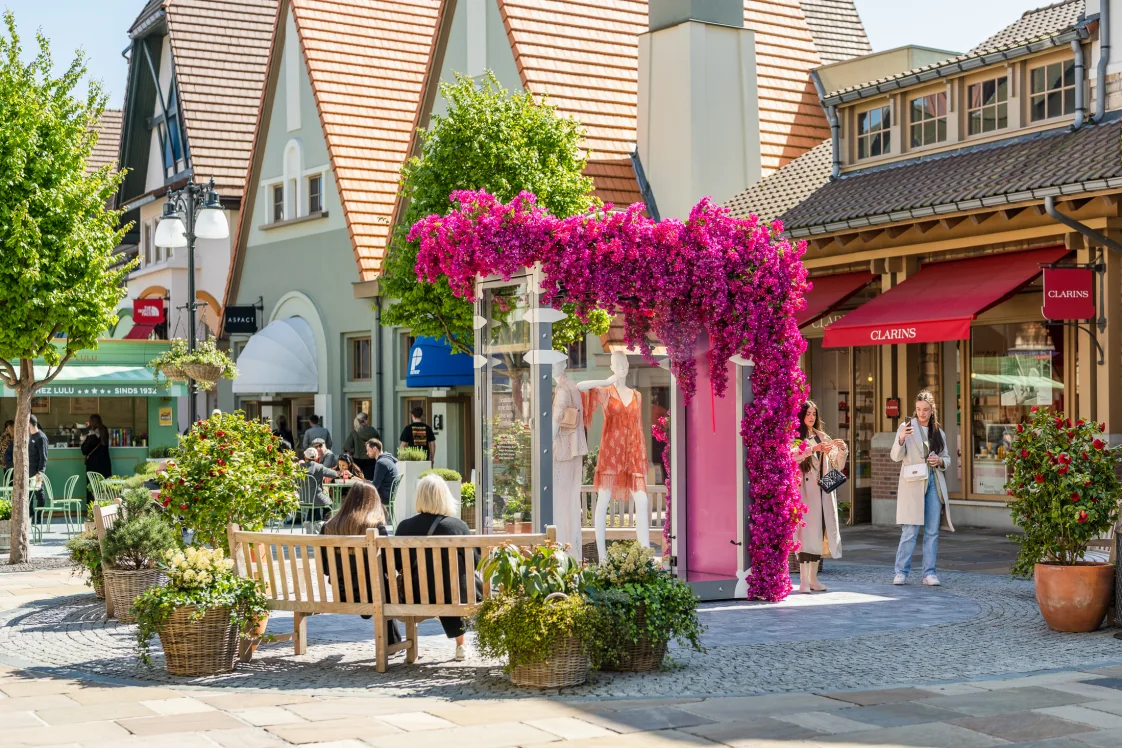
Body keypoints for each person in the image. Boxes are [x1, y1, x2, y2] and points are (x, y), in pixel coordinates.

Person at [394, 474, 475, 661]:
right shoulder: (458, 527)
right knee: (450, 584)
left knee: (435, 584)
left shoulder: (405, 527)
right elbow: (476, 562)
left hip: (415, 594)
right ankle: (460, 645)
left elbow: (397, 563)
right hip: (454, 594)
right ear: (445, 496)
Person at [319, 480, 402, 644]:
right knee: (384, 584)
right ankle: (393, 642)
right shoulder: (376, 527)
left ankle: (393, 640)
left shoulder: (328, 527)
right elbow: (388, 565)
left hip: (342, 592)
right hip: (374, 593)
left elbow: (326, 568)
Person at [891, 390, 955, 587]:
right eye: (918, 409)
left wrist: (939, 461)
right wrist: (901, 438)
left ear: (931, 410)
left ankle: (929, 573)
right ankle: (901, 571)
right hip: (913, 484)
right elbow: (895, 456)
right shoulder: (906, 427)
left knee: (932, 531)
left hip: (934, 483)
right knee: (910, 530)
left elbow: (947, 458)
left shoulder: (938, 432)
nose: (921, 413)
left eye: (925, 410)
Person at [790, 401, 848, 594]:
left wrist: (842, 450)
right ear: (801, 415)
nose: (811, 417)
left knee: (818, 534)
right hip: (804, 493)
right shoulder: (795, 437)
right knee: (805, 535)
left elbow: (836, 466)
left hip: (822, 493)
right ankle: (804, 581)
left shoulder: (822, 436)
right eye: (808, 413)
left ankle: (813, 579)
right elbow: (791, 456)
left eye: (814, 413)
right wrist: (813, 449)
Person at [302, 447, 337, 525]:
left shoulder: (299, 467)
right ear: (317, 457)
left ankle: (310, 522)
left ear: (305, 457)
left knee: (314, 503)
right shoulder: (319, 467)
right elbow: (334, 474)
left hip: (302, 498)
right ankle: (325, 524)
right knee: (329, 503)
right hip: (316, 497)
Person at [81, 414, 113, 493]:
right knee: (105, 484)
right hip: (105, 463)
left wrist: (83, 441)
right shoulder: (104, 430)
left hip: (93, 464)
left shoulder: (91, 435)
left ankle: (93, 504)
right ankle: (105, 503)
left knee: (93, 486)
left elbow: (84, 450)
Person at [366, 438, 399, 514]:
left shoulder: (381, 463)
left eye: (368, 450)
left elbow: (375, 485)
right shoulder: (388, 459)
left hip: (384, 496)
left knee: (359, 495)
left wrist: (363, 482)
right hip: (390, 494)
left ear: (374, 448)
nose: (367, 453)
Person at [343, 412, 381, 479]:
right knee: (369, 479)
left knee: (357, 479)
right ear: (365, 420)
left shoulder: (354, 432)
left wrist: (354, 451)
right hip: (370, 458)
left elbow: (347, 446)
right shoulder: (373, 431)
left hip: (357, 459)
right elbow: (378, 443)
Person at [26, 415, 48, 513]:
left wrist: (40, 472)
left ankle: (39, 517)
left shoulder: (41, 438)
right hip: (29, 471)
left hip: (37, 472)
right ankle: (30, 515)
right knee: (28, 494)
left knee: (39, 493)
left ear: (29, 424)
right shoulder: (31, 436)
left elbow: (43, 456)